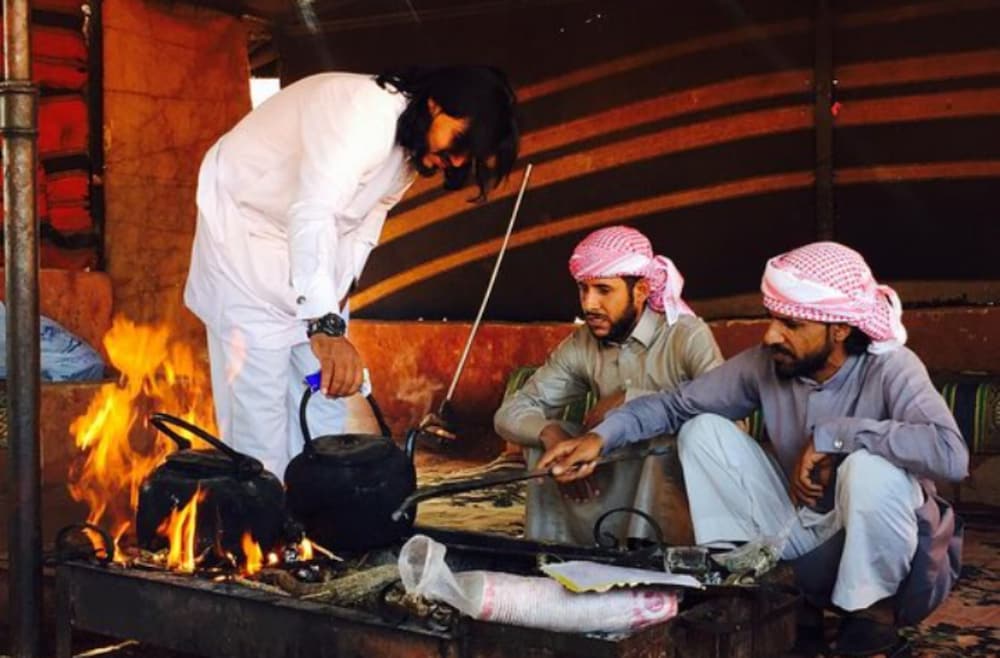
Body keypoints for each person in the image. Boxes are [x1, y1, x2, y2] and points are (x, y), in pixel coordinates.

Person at [539, 241, 967, 652]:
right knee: (702, 430)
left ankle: (871, 612)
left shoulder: (892, 367)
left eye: (791, 325)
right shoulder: (768, 364)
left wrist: (836, 436)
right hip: (801, 537)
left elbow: (951, 454)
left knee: (869, 469)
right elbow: (676, 405)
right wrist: (599, 438)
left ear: (839, 328)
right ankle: (769, 591)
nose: (771, 335)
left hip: (892, 562)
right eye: (773, 318)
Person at [184, 67, 519, 478]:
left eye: (468, 156)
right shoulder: (365, 112)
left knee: (324, 404)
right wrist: (324, 324)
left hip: (310, 261)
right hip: (244, 240)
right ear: (436, 106)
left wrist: (337, 301)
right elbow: (314, 211)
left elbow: (364, 226)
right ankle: (262, 513)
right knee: (259, 423)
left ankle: (314, 512)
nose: (458, 161)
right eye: (460, 142)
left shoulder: (409, 151)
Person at [494, 226, 723, 545]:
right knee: (544, 440)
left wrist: (631, 400)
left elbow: (726, 422)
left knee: (660, 436)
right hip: (603, 478)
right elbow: (510, 412)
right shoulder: (582, 344)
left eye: (603, 290)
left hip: (674, 496)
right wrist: (552, 436)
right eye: (583, 289)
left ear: (640, 290)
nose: (589, 304)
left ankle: (649, 551)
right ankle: (552, 553)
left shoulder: (686, 335)